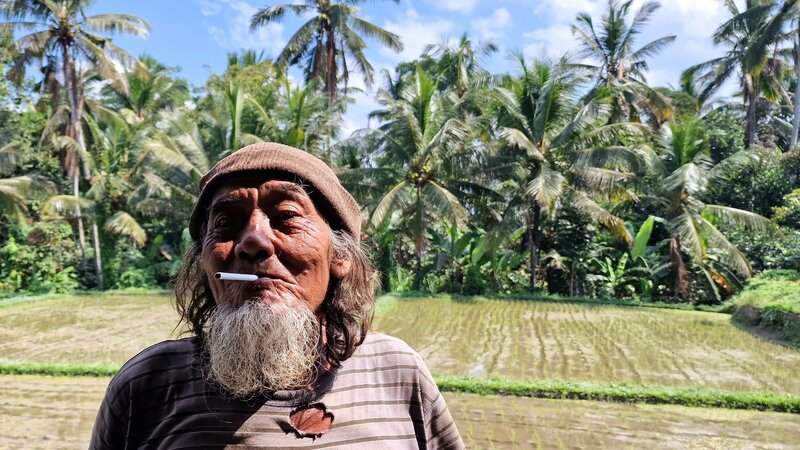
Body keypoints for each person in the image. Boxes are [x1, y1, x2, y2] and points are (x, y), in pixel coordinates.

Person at [89, 142, 464, 449]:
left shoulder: (397, 371)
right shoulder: (146, 384)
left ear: (339, 256)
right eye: (226, 223)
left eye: (286, 216)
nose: (253, 241)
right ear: (203, 261)